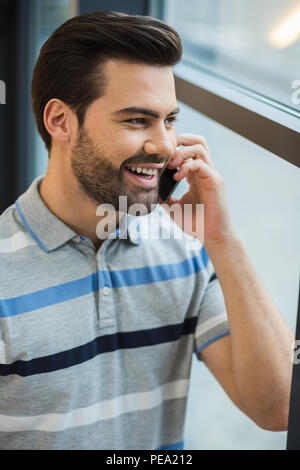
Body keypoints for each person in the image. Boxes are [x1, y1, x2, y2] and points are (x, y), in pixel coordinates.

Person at [0, 11, 294, 450]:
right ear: (60, 121)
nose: (164, 145)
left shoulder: (186, 250)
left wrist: (223, 241)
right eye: (137, 121)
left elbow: (279, 408)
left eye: (169, 120)